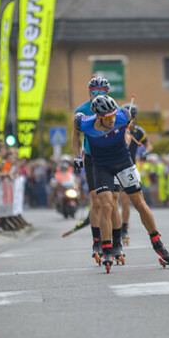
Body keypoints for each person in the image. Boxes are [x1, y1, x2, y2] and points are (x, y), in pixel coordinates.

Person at [73, 95, 169, 273]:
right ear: (98, 117)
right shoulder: (84, 123)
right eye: (108, 117)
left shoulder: (123, 115)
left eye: (113, 115)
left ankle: (158, 243)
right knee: (106, 205)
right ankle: (107, 249)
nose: (112, 120)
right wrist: (78, 156)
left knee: (139, 203)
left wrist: (125, 141)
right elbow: (75, 130)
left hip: (124, 163)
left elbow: (127, 133)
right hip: (102, 167)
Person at [72, 76, 122, 264]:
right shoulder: (82, 111)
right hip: (92, 157)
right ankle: (96, 242)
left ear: (108, 93)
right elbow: (75, 134)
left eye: (102, 92)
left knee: (113, 200)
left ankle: (117, 243)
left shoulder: (114, 107)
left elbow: (124, 131)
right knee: (96, 200)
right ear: (89, 92)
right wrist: (77, 156)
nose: (98, 95)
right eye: (94, 92)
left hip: (113, 157)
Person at [119, 103, 153, 245]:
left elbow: (149, 145)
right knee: (115, 201)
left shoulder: (138, 131)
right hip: (116, 167)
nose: (131, 120)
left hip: (130, 167)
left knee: (126, 201)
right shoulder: (120, 129)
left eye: (133, 117)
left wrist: (146, 152)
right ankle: (114, 229)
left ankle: (124, 227)